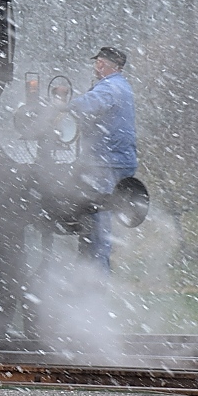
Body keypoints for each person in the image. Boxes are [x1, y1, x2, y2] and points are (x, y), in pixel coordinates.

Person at [63, 46, 138, 272]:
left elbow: (86, 105)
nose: (96, 67)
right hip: (116, 161)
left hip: (105, 163)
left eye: (99, 63)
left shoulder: (109, 88)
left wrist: (59, 108)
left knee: (97, 229)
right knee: (94, 226)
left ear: (105, 64)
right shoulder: (123, 86)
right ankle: (87, 281)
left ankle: (94, 286)